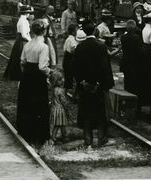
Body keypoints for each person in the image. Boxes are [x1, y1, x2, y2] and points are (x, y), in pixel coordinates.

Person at [73, 18, 114, 148]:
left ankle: (88, 140)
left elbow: (75, 67)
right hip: (98, 86)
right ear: (94, 30)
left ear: (84, 31)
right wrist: (101, 83)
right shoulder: (101, 46)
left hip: (85, 86)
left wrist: (82, 82)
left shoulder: (79, 47)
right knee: (101, 113)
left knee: (86, 112)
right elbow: (105, 67)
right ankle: (102, 139)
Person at [16, 20, 51, 145]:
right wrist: (50, 73)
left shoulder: (28, 45)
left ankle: (27, 132)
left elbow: (22, 62)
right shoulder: (43, 47)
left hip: (27, 76)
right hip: (37, 78)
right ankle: (39, 135)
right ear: (44, 31)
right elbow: (42, 67)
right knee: (39, 106)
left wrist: (25, 74)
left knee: (27, 104)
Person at [3, 5, 33, 81]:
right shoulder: (22, 21)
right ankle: (18, 75)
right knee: (20, 58)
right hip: (22, 41)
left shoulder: (24, 20)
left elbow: (27, 33)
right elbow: (23, 35)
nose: (29, 14)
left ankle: (23, 74)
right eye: (28, 12)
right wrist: (31, 41)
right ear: (26, 13)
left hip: (23, 40)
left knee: (20, 57)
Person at [137, 7, 151, 109]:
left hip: (144, 51)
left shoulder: (144, 29)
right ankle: (149, 98)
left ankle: (144, 97)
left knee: (145, 75)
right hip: (150, 53)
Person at [119, 20, 141, 97]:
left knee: (126, 81)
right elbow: (138, 51)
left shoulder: (123, 37)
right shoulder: (137, 38)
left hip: (125, 61)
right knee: (133, 83)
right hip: (134, 62)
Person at [49, 70, 69, 144]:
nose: (63, 80)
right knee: (59, 124)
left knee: (59, 124)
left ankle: (64, 136)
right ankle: (54, 138)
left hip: (54, 109)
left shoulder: (53, 90)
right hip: (60, 110)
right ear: (56, 81)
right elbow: (63, 101)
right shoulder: (60, 91)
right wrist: (67, 108)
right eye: (60, 80)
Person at [62, 23, 78, 91]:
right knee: (70, 77)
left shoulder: (68, 39)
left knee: (68, 77)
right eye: (77, 30)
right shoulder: (72, 40)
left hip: (66, 58)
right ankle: (68, 91)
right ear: (73, 32)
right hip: (70, 59)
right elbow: (73, 49)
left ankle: (67, 91)